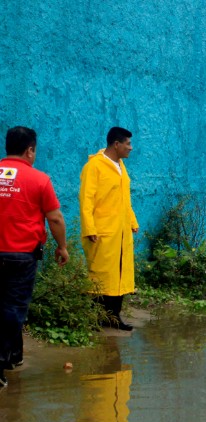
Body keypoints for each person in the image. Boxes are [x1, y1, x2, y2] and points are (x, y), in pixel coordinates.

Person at [0, 126, 69, 387]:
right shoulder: (39, 179)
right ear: (30, 150)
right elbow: (55, 217)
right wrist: (62, 247)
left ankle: (14, 356)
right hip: (20, 257)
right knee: (13, 309)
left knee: (5, 308)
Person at [79, 127, 139, 331]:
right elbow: (86, 199)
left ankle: (114, 318)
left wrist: (132, 221)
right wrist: (89, 228)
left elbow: (125, 198)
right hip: (102, 232)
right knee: (100, 275)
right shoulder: (94, 166)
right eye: (128, 144)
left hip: (121, 232)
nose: (131, 148)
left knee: (119, 275)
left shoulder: (121, 166)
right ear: (116, 144)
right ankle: (95, 318)